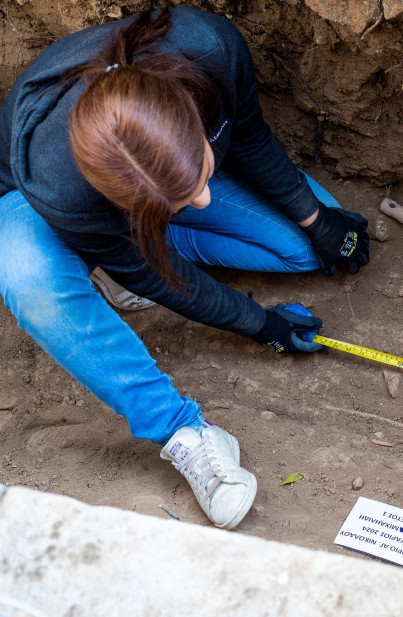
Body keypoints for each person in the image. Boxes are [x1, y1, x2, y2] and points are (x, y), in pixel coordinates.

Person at [0, 7, 370, 529]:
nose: (202, 199)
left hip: (124, 209)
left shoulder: (209, 48)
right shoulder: (58, 183)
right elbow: (156, 278)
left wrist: (316, 219)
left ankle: (113, 253)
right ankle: (183, 432)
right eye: (180, 199)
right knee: (29, 279)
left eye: (199, 172)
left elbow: (250, 137)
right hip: (31, 204)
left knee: (302, 249)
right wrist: (257, 322)